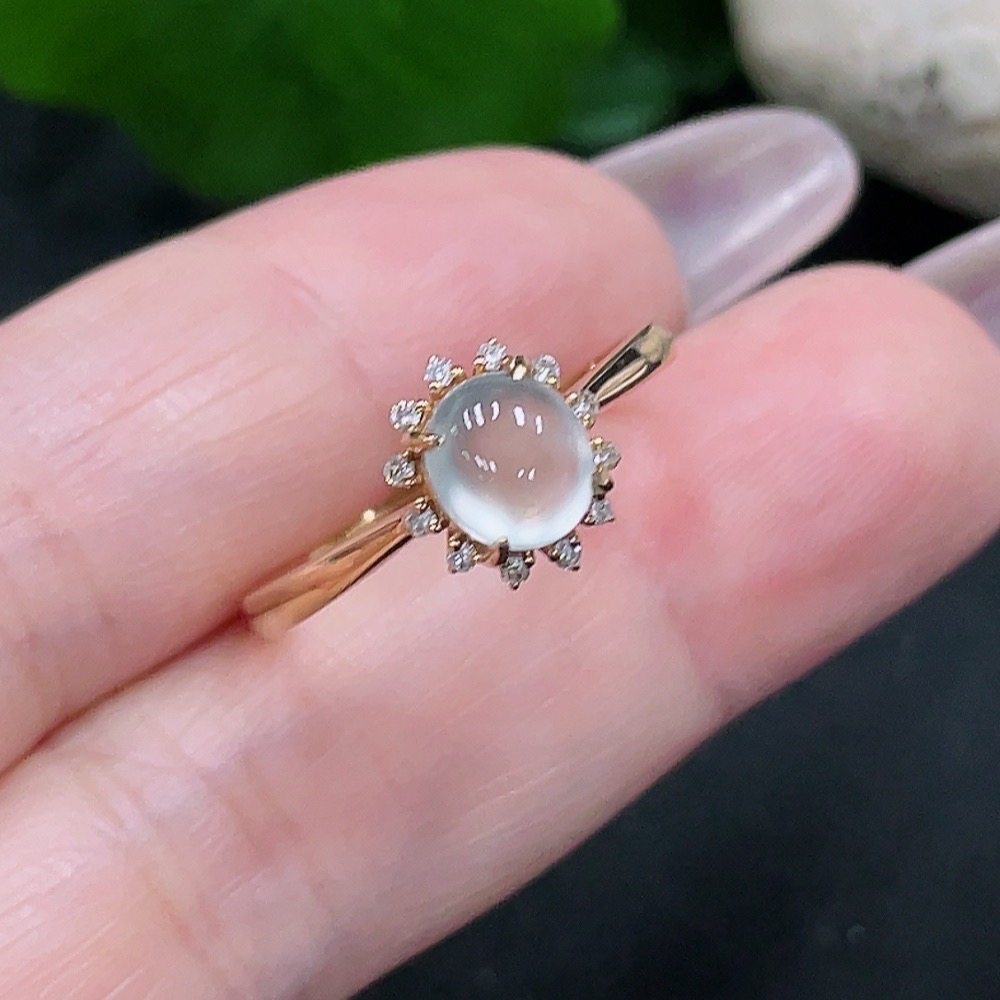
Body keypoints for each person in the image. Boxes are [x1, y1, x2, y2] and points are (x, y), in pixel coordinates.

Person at [0, 107, 997, 999]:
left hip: (506, 474)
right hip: (432, 501)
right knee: (301, 591)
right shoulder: (490, 440)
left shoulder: (541, 454)